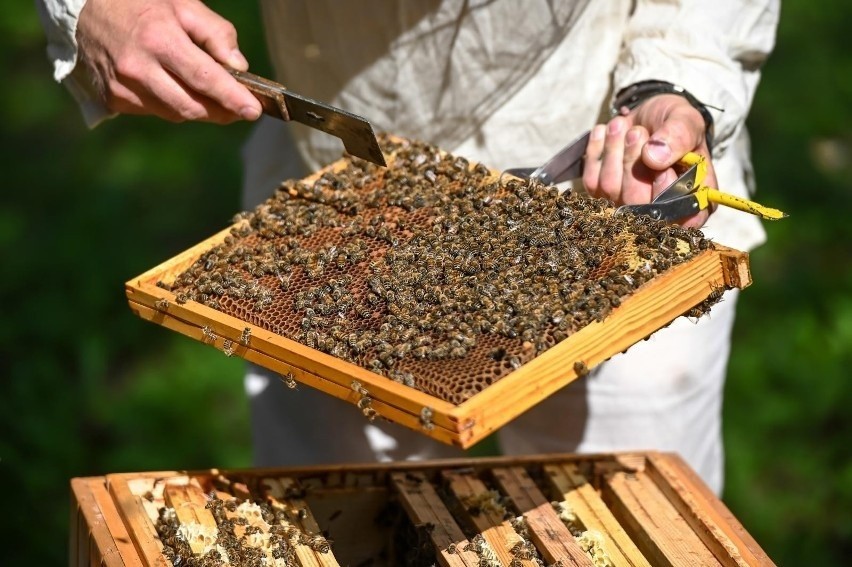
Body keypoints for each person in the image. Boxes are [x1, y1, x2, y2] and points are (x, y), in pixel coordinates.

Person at [38, 0, 779, 495]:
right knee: (338, 517)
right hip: (337, 223)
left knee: (620, 513)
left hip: (617, 205)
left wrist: (674, 84)